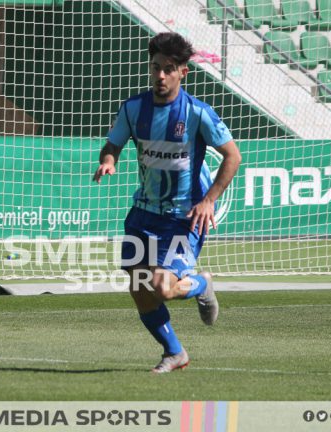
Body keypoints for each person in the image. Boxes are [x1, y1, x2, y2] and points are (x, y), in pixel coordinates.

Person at [93, 32, 241, 373]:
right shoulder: (133, 109)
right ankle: (174, 352)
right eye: (155, 67)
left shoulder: (197, 113)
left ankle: (203, 284)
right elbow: (112, 144)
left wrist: (208, 201)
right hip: (143, 213)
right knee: (139, 288)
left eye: (168, 69)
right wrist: (109, 160)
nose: (160, 75)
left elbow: (233, 157)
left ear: (183, 72)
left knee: (162, 287)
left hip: (181, 217)